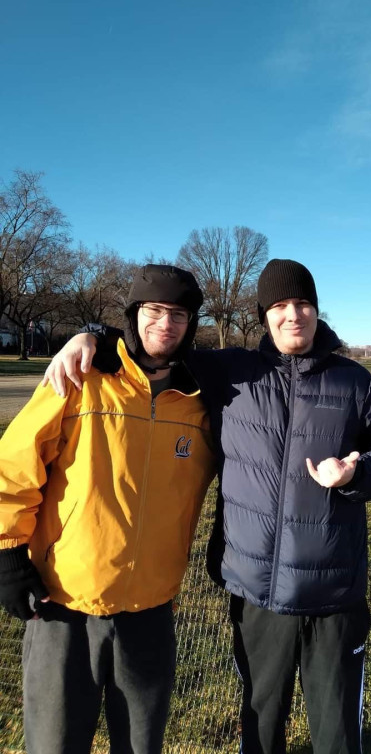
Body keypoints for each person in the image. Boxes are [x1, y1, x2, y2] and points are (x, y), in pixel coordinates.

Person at [43, 258, 371, 754]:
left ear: (317, 311)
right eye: (279, 305)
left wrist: (357, 472)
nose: (292, 315)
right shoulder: (229, 373)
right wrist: (91, 335)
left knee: (338, 734)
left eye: (303, 304)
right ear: (264, 316)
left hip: (335, 591)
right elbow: (155, 345)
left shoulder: (354, 381)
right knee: (259, 726)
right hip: (255, 593)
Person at [0, 264, 216, 754]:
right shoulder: (80, 377)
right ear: (133, 316)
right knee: (55, 743)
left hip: (151, 608)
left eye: (179, 314)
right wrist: (7, 551)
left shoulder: (202, 403)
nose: (166, 324)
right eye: (154, 311)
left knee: (141, 746)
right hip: (65, 605)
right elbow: (15, 461)